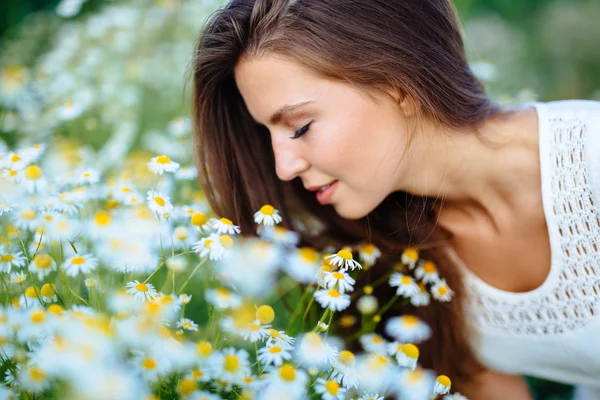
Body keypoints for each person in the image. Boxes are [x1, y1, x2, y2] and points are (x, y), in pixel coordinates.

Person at [188, 0, 600, 398]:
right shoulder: (399, 256)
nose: (283, 169)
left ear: (399, 85)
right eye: (267, 134)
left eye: (299, 128)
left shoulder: (590, 158)